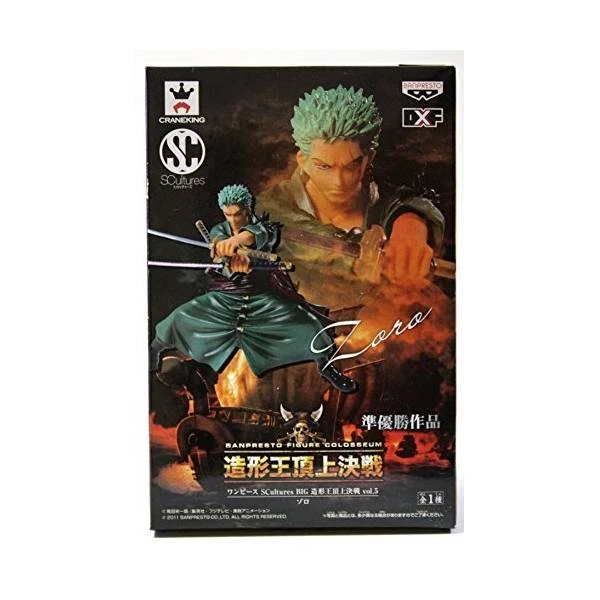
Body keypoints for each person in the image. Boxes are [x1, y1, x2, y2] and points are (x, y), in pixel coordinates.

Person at [150, 184, 358, 395]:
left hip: (262, 299)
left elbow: (254, 235)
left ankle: (327, 368)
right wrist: (227, 257)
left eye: (238, 214)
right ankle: (153, 351)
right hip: (225, 298)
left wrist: (237, 243)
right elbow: (220, 250)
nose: (233, 220)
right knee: (179, 317)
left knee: (310, 327)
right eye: (228, 214)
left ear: (248, 209)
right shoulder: (218, 231)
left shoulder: (265, 228)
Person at [256, 85, 445, 308]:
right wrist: (356, 259)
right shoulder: (268, 210)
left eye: (351, 166)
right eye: (324, 166)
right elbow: (291, 233)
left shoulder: (382, 198)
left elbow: (406, 203)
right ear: (302, 161)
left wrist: (411, 224)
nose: (339, 182)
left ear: (368, 158)